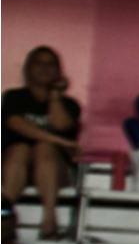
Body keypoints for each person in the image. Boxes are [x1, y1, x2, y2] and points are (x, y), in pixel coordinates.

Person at [5, 46, 82, 230]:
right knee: (20, 149)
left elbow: (60, 125)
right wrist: (61, 141)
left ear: (58, 71)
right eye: (38, 63)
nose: (44, 68)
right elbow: (16, 124)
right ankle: (4, 216)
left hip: (55, 172)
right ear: (28, 68)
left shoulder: (69, 104)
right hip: (15, 166)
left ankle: (49, 219)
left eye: (50, 64)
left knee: (43, 149)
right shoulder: (14, 97)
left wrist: (55, 95)